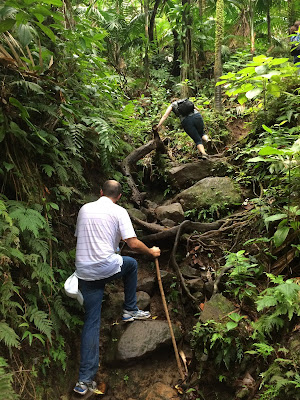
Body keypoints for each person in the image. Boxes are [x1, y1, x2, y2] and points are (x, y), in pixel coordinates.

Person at [73, 180, 161, 396]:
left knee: (91, 322)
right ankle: (130, 309)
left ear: (100, 192)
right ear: (119, 196)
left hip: (84, 271)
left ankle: (84, 382)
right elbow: (132, 244)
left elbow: (80, 238)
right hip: (105, 267)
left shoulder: (85, 208)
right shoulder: (119, 211)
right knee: (131, 264)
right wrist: (151, 251)